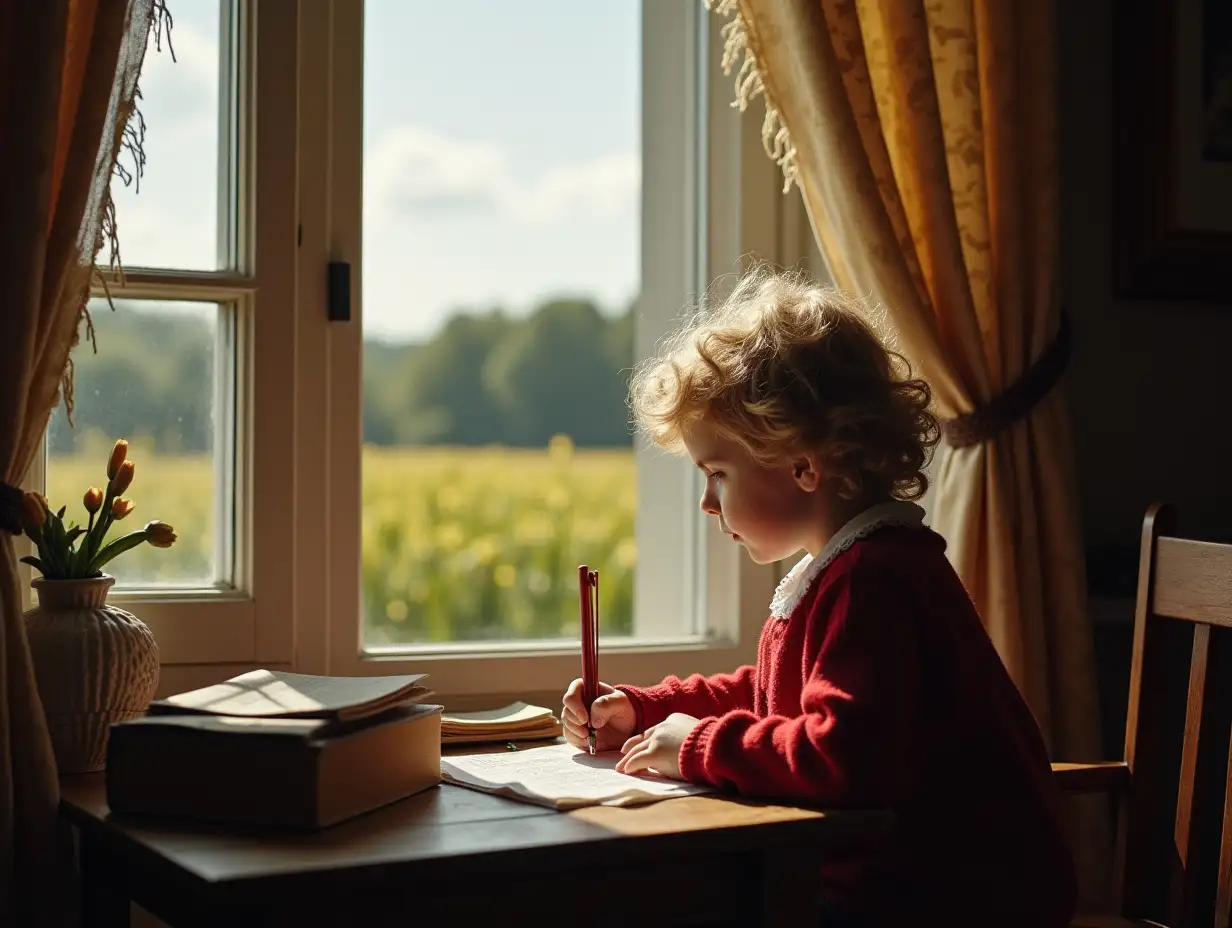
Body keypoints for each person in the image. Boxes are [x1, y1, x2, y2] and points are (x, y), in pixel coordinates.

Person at [560, 267, 1076, 927]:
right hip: (902, 887)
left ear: (805, 467)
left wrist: (698, 746)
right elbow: (772, 694)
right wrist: (644, 708)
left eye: (718, 473)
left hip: (947, 898)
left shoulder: (876, 581)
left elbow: (840, 755)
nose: (706, 500)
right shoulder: (849, 567)